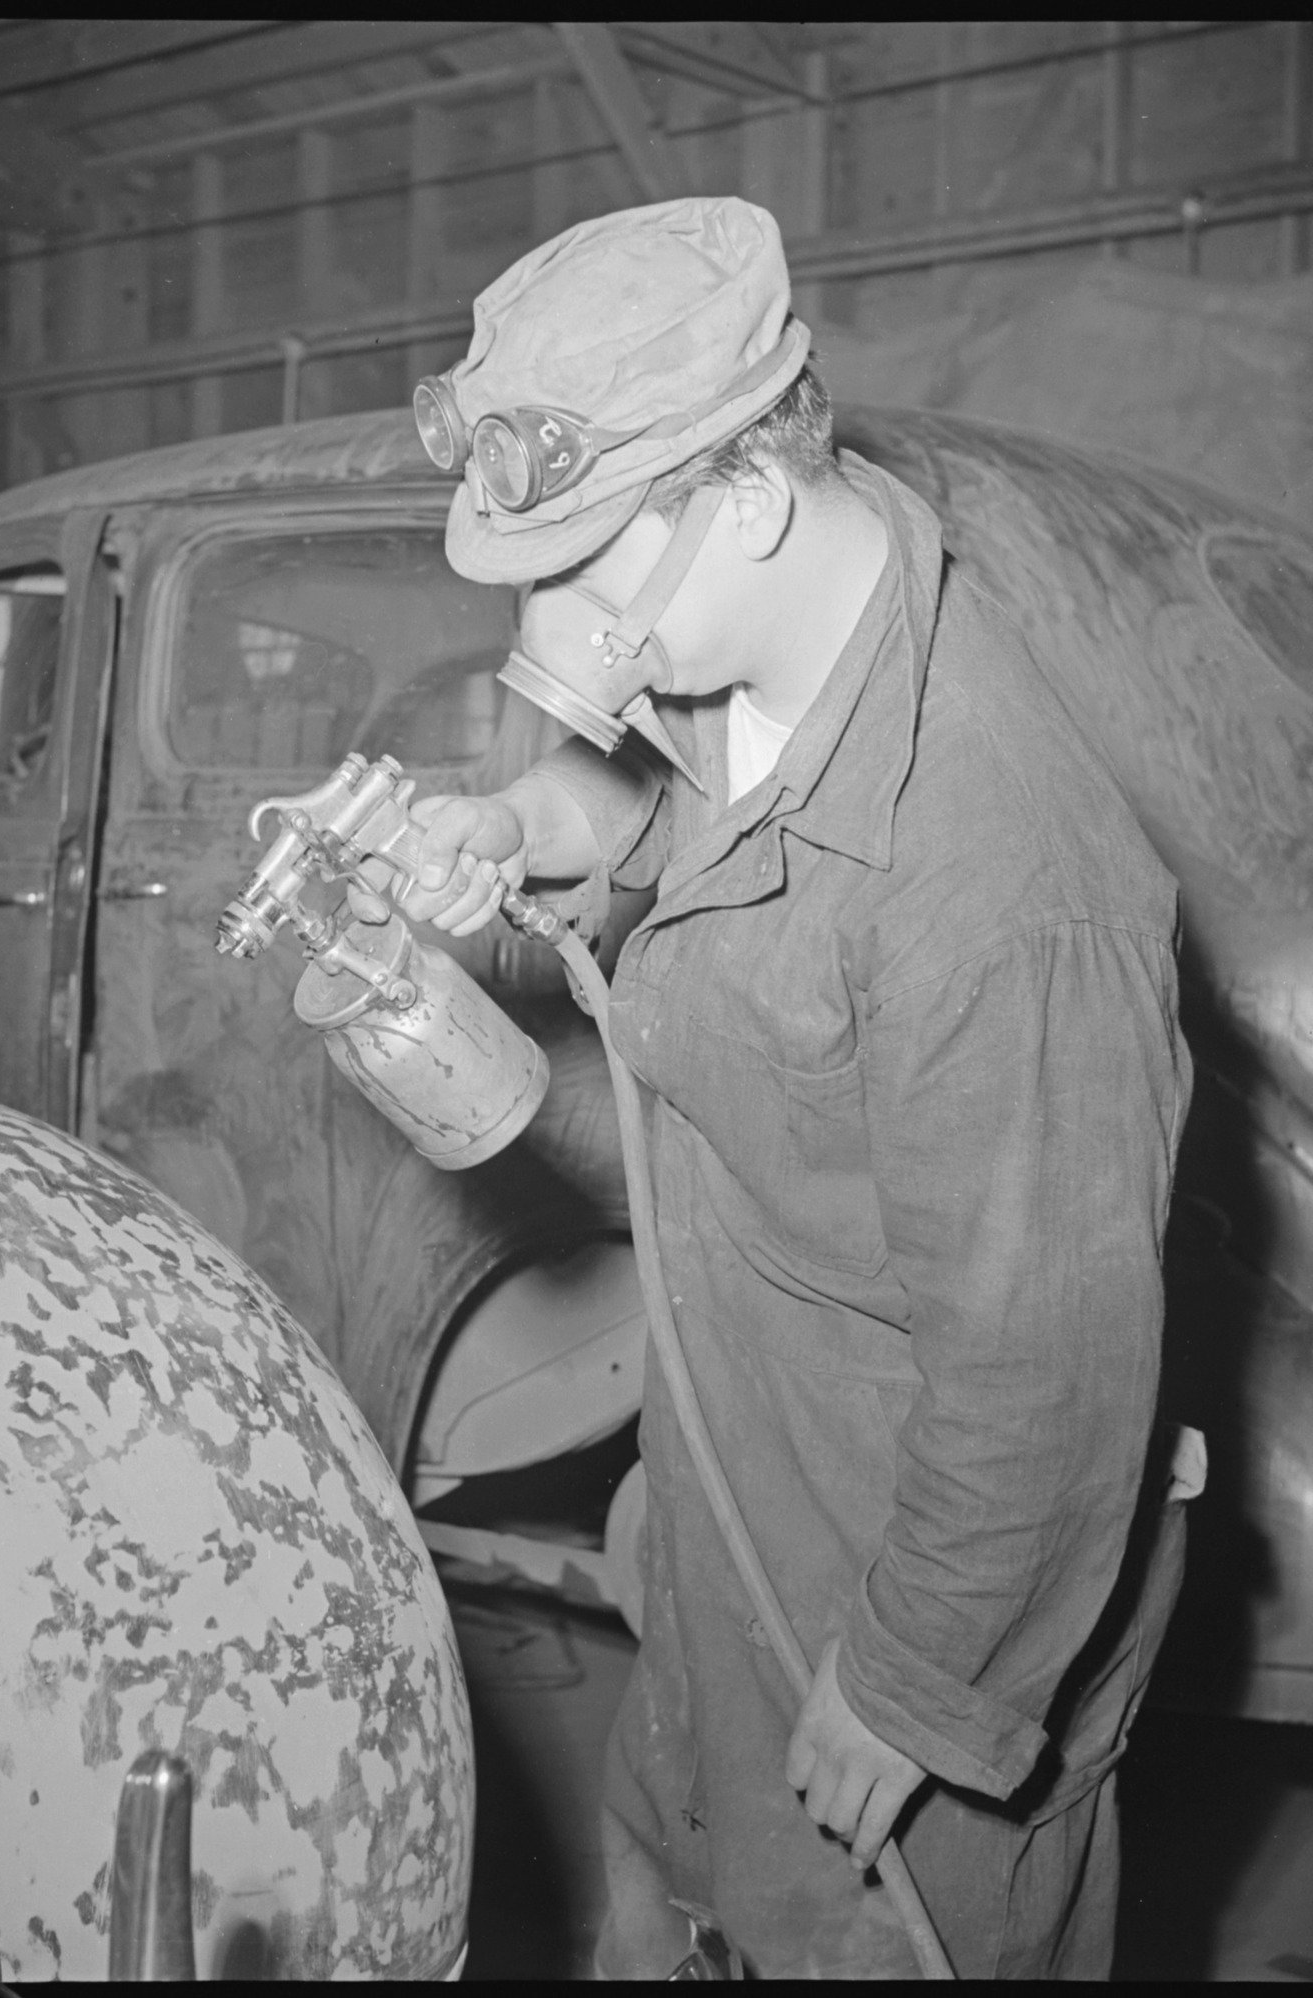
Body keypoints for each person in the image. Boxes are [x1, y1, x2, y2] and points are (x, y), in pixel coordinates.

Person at [399, 197, 1195, 1979]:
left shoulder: (999, 884)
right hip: (730, 1505)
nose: (554, 629)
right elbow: (670, 786)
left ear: (749, 496)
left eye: (579, 573)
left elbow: (1049, 1373)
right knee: (665, 1902)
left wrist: (915, 1681)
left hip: (913, 1592)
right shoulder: (773, 646)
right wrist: (521, 822)